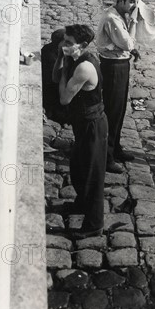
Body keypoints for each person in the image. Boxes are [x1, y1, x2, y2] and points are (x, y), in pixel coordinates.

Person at [52, 24, 108, 237]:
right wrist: (61, 57)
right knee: (79, 167)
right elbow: (56, 79)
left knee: (93, 174)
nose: (63, 45)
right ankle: (81, 204)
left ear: (82, 45)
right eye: (63, 40)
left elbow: (64, 98)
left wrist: (65, 66)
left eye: (67, 42)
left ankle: (94, 224)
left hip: (93, 124)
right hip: (82, 122)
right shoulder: (73, 58)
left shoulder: (84, 66)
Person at [96, 0, 141, 173]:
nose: (134, 6)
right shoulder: (112, 18)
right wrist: (134, 23)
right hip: (113, 67)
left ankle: (116, 148)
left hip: (120, 64)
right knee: (113, 110)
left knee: (120, 108)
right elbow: (127, 42)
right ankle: (106, 156)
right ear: (121, 0)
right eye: (131, 2)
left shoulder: (120, 14)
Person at [41, 28, 67, 122]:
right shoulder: (52, 57)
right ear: (59, 43)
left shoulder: (47, 47)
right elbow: (57, 77)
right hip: (52, 89)